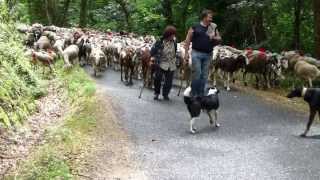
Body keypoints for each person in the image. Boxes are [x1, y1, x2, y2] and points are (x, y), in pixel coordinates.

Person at [184, 9, 222, 97]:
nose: (211, 19)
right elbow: (188, 40)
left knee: (204, 75)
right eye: (210, 17)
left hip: (208, 54)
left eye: (211, 17)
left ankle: (201, 95)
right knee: (197, 73)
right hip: (196, 53)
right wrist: (186, 53)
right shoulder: (195, 26)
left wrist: (214, 37)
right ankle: (193, 93)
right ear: (204, 17)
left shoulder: (213, 27)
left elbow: (219, 38)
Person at [150, 26, 178, 101]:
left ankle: (165, 94)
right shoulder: (160, 41)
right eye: (172, 34)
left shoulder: (174, 42)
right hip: (161, 62)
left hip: (171, 63)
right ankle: (156, 93)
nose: (174, 36)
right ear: (168, 34)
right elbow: (152, 51)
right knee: (157, 78)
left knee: (169, 81)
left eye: (174, 35)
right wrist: (153, 56)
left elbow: (175, 52)